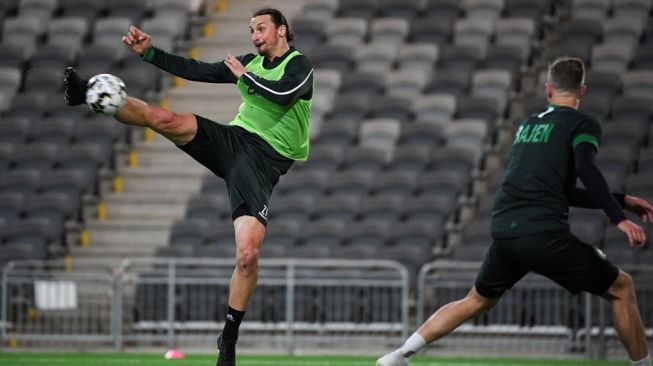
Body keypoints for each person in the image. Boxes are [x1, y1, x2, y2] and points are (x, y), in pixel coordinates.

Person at [63, 8, 312, 366]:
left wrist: (243, 78)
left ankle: (228, 338)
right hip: (234, 140)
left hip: (263, 164)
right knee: (165, 118)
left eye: (261, 28)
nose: (254, 36)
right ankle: (87, 93)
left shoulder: (299, 66)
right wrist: (150, 53)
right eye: (251, 29)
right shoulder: (247, 64)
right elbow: (197, 70)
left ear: (282, 30)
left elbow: (283, 95)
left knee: (247, 257)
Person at [376, 56, 653, 366]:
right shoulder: (581, 123)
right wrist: (618, 218)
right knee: (621, 287)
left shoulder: (529, 125)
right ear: (583, 91)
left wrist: (622, 200)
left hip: (506, 229)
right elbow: (586, 169)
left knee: (476, 300)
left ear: (548, 89)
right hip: (544, 232)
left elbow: (557, 188)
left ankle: (399, 356)